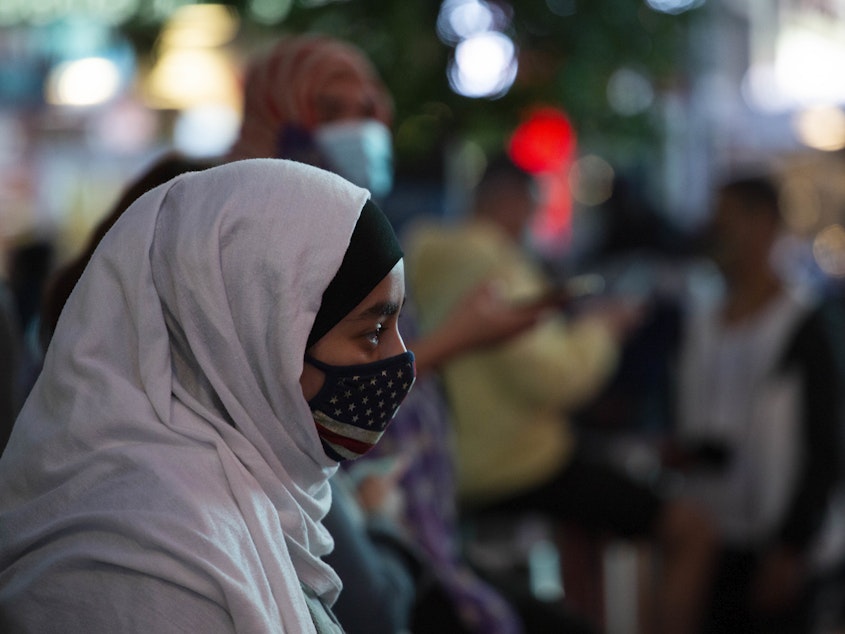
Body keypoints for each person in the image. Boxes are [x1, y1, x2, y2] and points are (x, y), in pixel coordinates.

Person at [0, 158, 416, 633]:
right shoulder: (146, 566)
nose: (400, 358)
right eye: (374, 331)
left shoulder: (266, 496)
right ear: (260, 339)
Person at [405, 154, 718, 634]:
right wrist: (604, 329)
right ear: (510, 202)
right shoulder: (490, 263)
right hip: (515, 464)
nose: (531, 223)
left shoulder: (425, 255)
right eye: (530, 209)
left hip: (457, 467)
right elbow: (556, 377)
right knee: (691, 527)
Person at [670, 174, 844, 633]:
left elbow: (823, 445)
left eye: (726, 221)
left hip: (775, 544)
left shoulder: (802, 323)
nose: (715, 232)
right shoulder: (702, 319)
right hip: (708, 536)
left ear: (765, 225)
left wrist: (791, 547)